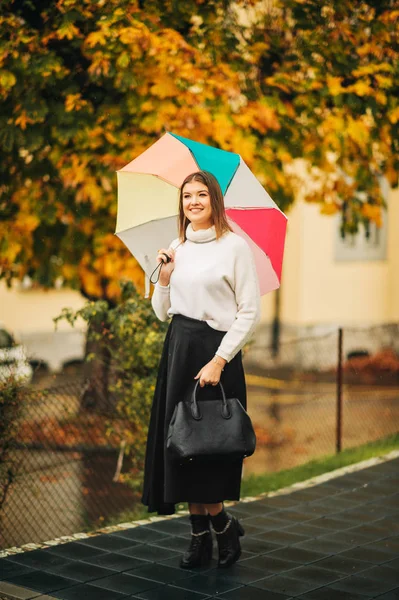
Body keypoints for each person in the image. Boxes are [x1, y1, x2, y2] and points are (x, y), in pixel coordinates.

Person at [141, 170, 261, 569]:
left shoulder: (235, 248)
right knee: (182, 449)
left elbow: (249, 311)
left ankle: (223, 532)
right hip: (179, 351)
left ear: (214, 201)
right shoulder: (177, 247)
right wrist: (165, 278)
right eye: (187, 196)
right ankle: (202, 538)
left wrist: (220, 360)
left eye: (201, 195)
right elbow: (162, 313)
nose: (193, 202)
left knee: (209, 449)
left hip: (216, 354)